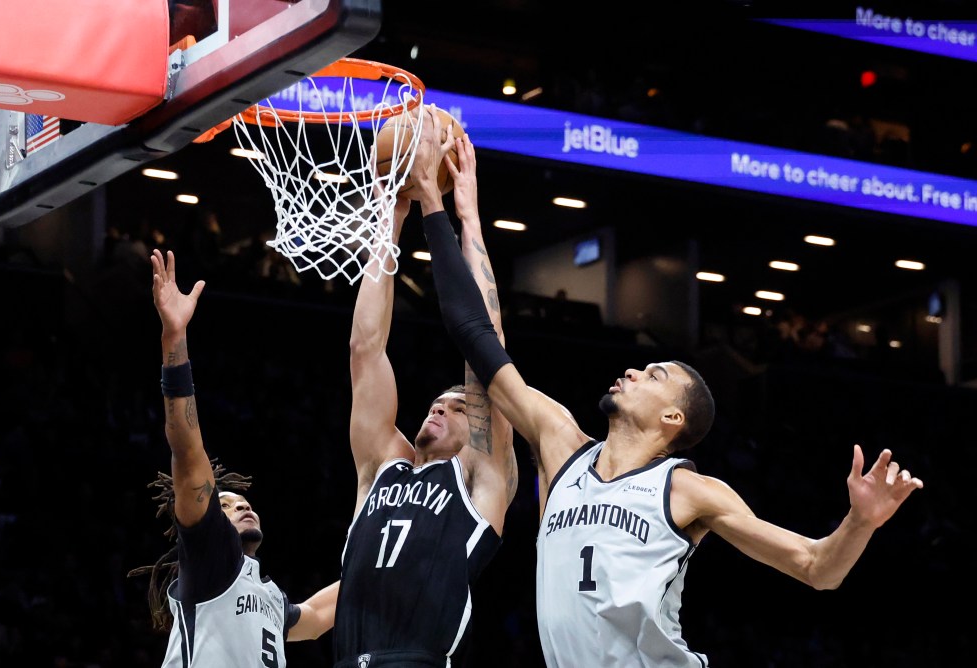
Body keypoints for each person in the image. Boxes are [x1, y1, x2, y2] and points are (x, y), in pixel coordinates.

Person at [417, 111, 926, 666]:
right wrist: (452, 211)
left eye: (655, 375)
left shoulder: (688, 491)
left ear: (673, 420)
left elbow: (817, 568)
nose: (635, 372)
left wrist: (861, 520)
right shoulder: (559, 443)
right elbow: (476, 334)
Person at [331, 110, 517, 668]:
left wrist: (464, 214)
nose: (441, 404)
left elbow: (485, 347)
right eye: (437, 401)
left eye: (457, 406)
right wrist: (393, 213)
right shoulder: (381, 466)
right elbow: (366, 349)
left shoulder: (482, 481)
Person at [134, 248, 338, 667]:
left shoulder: (266, 593)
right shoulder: (211, 557)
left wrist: (383, 560)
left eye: (240, 500)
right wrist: (174, 339)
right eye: (223, 504)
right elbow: (187, 449)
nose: (242, 503)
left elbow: (316, 618)